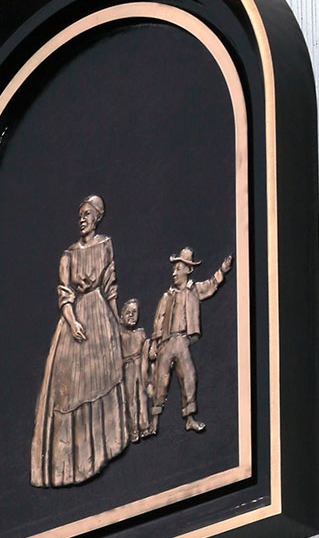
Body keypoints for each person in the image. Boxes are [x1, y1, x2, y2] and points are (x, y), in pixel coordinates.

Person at [30, 195, 130, 487]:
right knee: (71, 389)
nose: (82, 219)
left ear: (97, 217)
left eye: (88, 214)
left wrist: (118, 325)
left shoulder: (105, 246)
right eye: (80, 215)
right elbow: (65, 293)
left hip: (101, 319)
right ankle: (73, 464)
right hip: (77, 322)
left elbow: (111, 289)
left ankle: (105, 448)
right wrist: (72, 322)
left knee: (104, 380)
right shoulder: (69, 255)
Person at [149, 247, 233, 434]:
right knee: (161, 380)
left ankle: (189, 418)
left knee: (189, 377)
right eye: (174, 269)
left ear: (188, 270)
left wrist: (223, 270)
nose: (174, 273)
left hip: (182, 341)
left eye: (178, 268)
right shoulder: (167, 296)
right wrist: (154, 343)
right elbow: (159, 319)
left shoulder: (194, 290)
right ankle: (154, 421)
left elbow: (211, 285)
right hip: (166, 342)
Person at [117, 299, 153, 441]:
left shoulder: (141, 334)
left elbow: (148, 349)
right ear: (121, 316)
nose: (131, 315)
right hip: (127, 369)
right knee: (131, 399)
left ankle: (145, 426)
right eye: (128, 313)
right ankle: (133, 431)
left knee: (142, 396)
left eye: (134, 312)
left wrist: (151, 350)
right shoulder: (119, 335)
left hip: (141, 367)